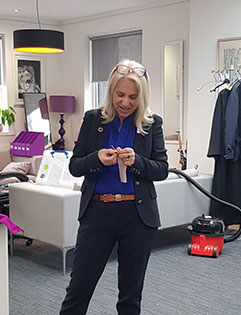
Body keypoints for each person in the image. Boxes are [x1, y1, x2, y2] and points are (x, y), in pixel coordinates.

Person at [60, 60, 168, 315]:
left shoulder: (152, 123)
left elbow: (162, 168)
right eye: (120, 95)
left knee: (130, 297)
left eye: (133, 96)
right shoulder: (93, 119)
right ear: (110, 92)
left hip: (137, 216)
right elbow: (75, 166)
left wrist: (137, 162)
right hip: (98, 213)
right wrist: (96, 158)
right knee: (78, 290)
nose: (126, 102)